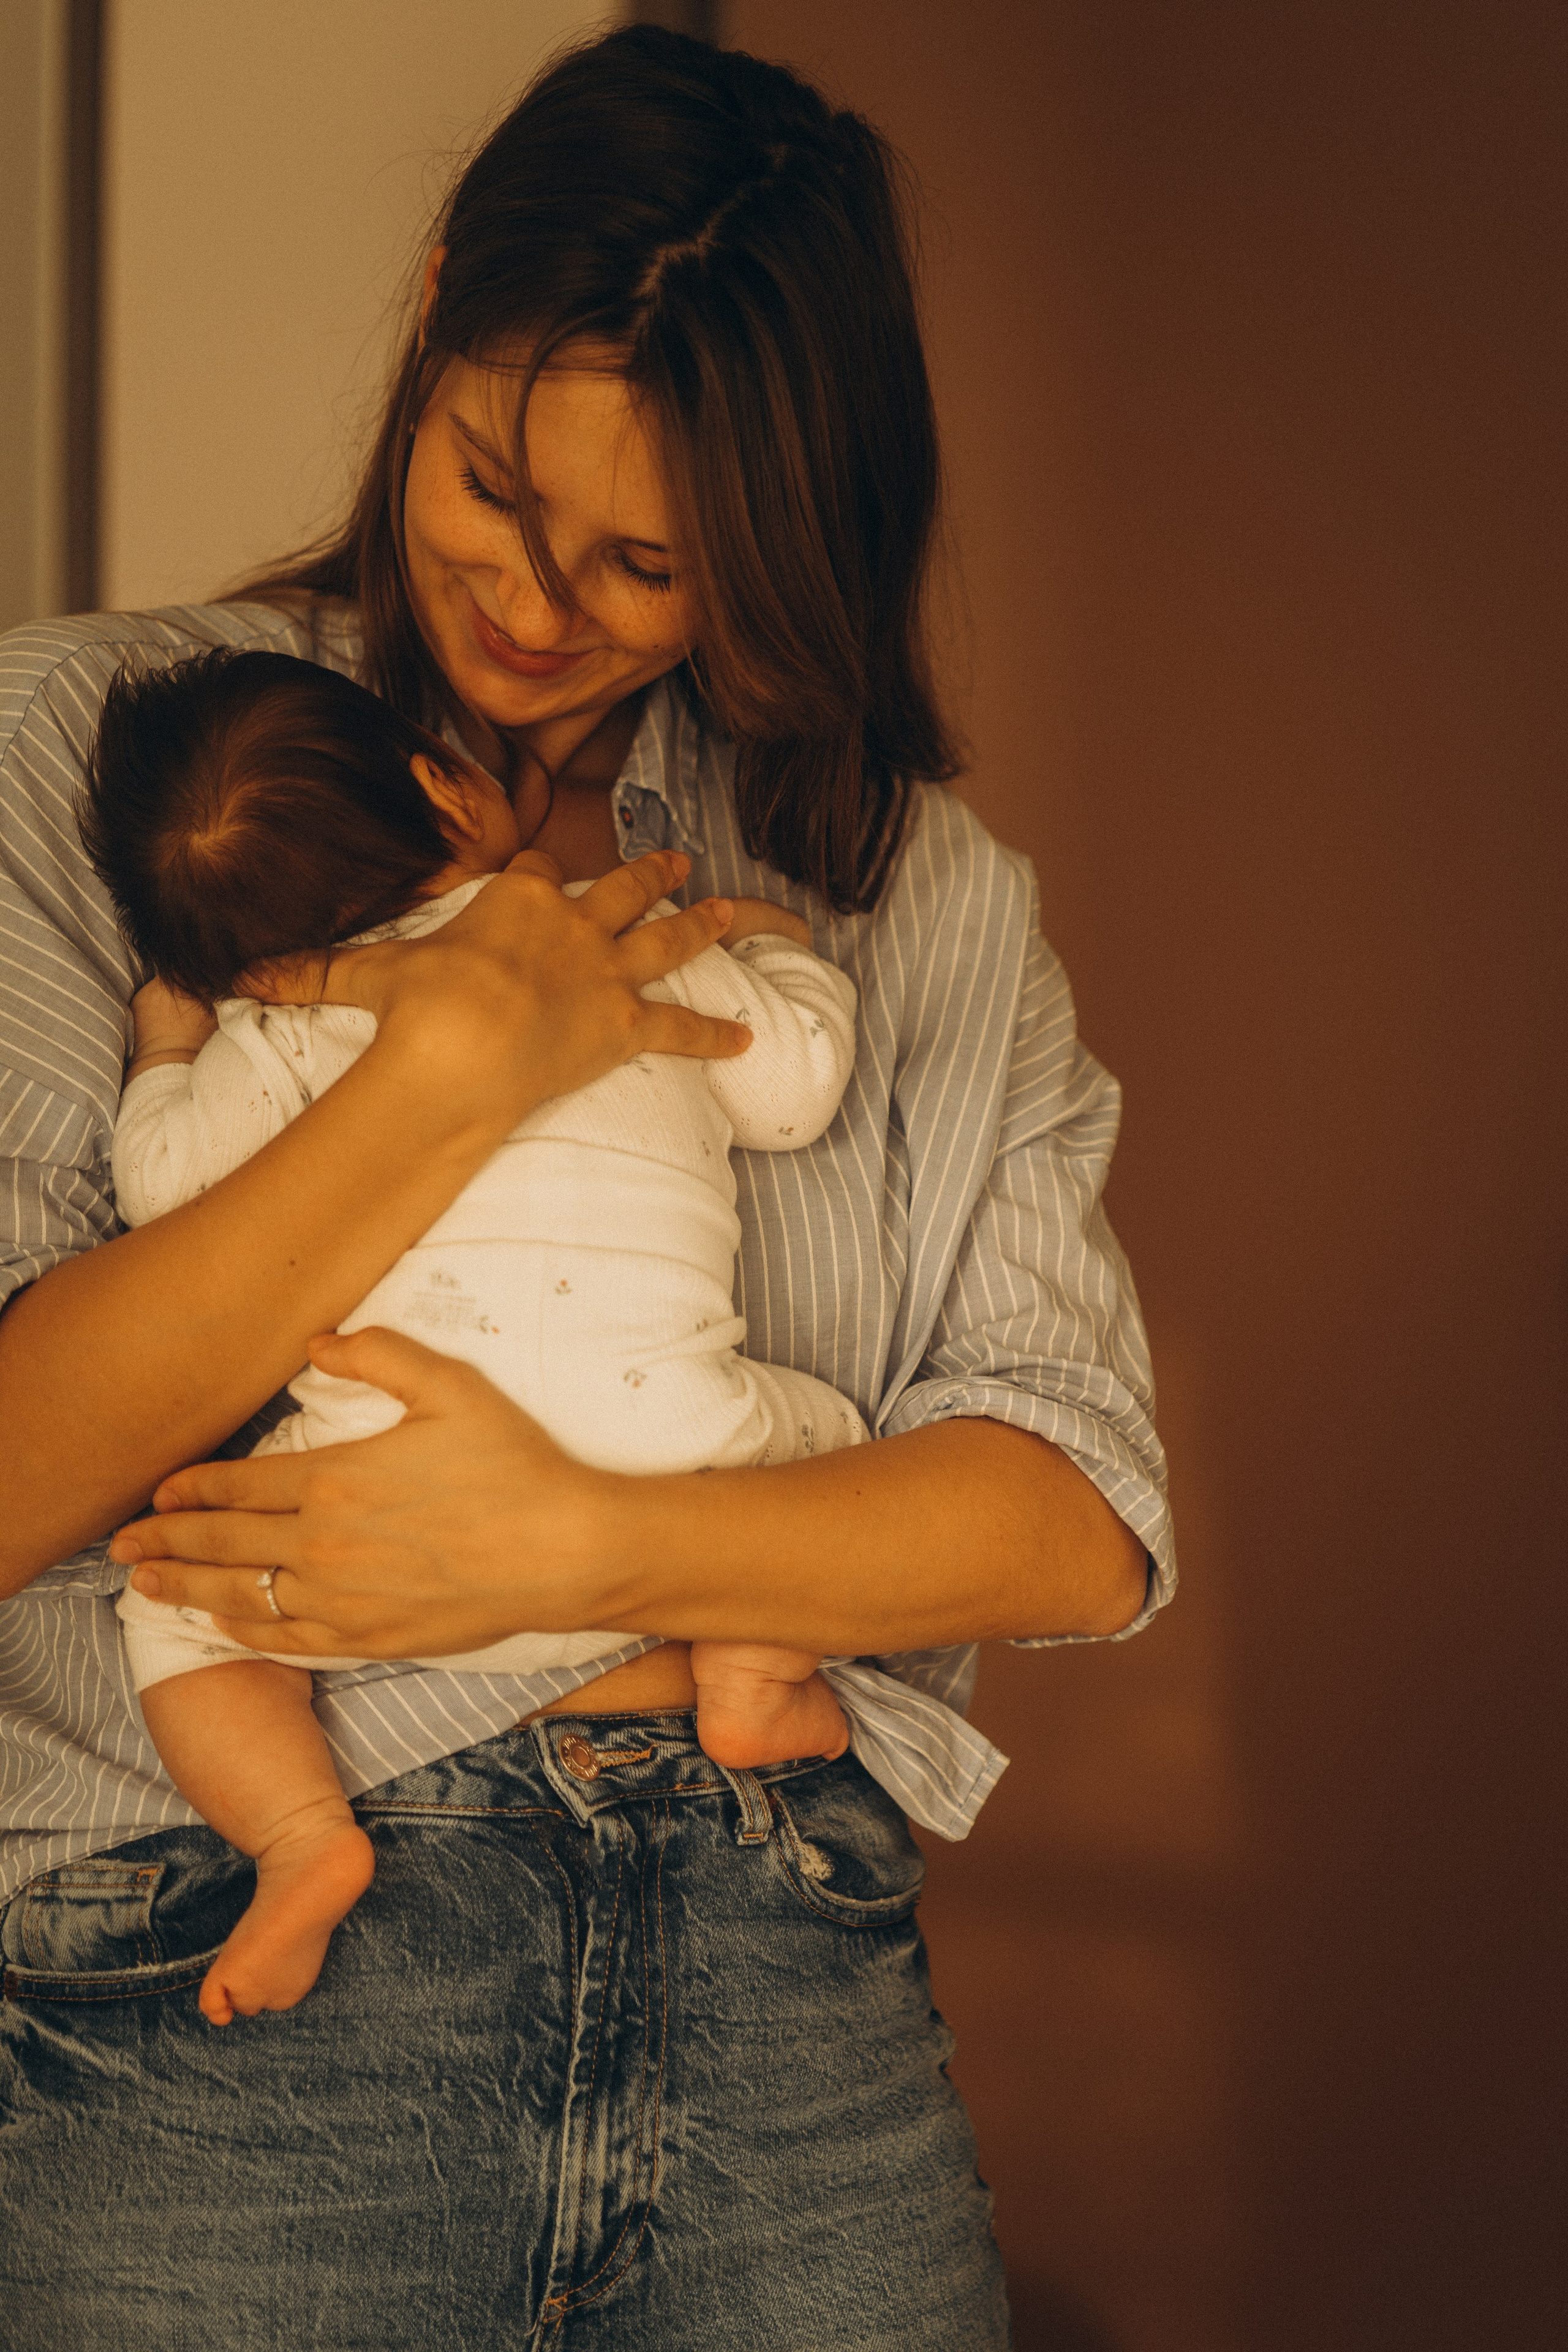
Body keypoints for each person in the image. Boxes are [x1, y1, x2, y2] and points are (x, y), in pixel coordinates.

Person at [0, 26, 1172, 2350]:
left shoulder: (905, 902)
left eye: (653, 563)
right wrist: (453, 1073)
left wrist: (589, 1546)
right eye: (490, 486)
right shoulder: (95, 758)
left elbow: (1078, 1515)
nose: (538, 605)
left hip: (788, 2009)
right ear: (437, 310)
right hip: (232, 2012)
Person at [86, 643, 865, 2026]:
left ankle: (300, 1837)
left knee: (170, 1608)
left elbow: (162, 1192)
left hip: (370, 1525)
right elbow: (795, 1091)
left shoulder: (273, 1037)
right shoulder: (622, 943)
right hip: (673, 1481)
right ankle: (749, 1668)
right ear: (447, 793)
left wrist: (166, 1049)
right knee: (835, 1445)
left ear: (252, 961)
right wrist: (778, 963)